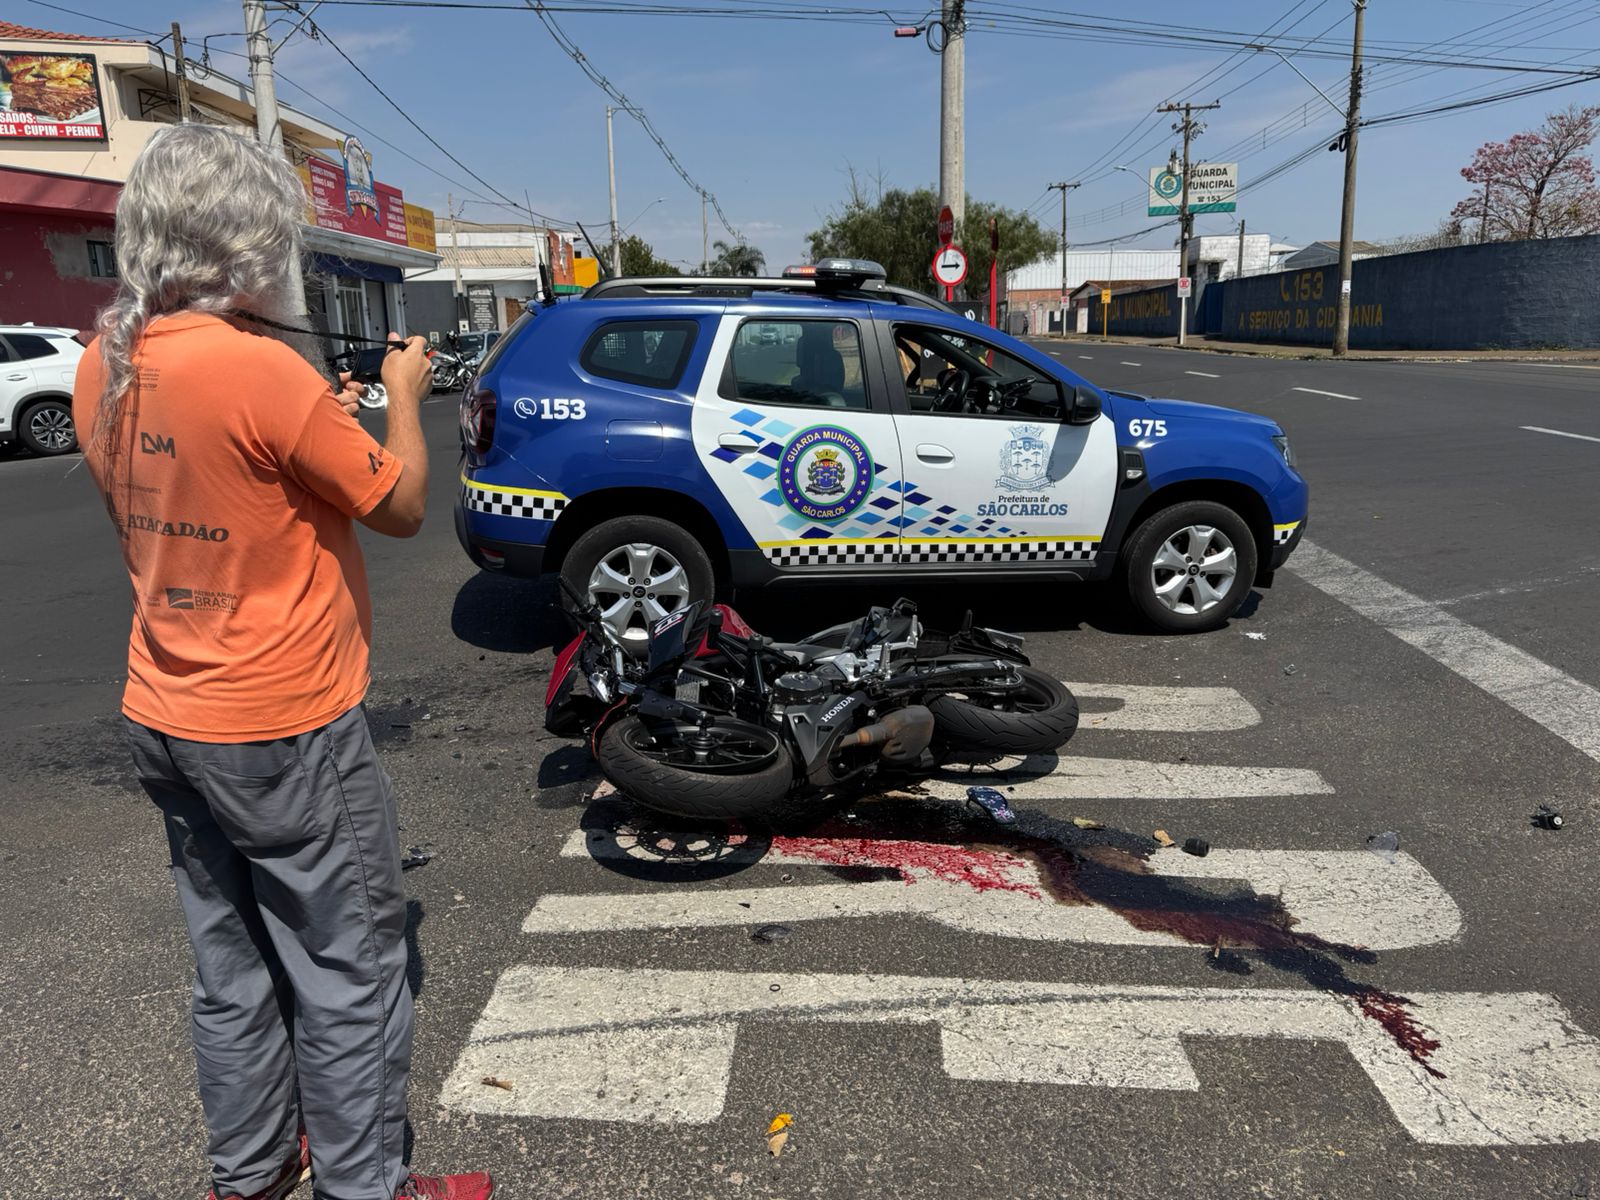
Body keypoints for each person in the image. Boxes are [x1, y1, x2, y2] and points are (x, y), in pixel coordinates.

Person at [74, 124, 494, 1200]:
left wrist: (320, 429)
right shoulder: (261, 370)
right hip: (284, 724)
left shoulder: (102, 362)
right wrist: (401, 398)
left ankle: (251, 1175)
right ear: (250, 242)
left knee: (231, 968)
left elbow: (210, 493)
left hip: (166, 705)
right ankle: (366, 1186)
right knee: (350, 972)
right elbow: (397, 505)